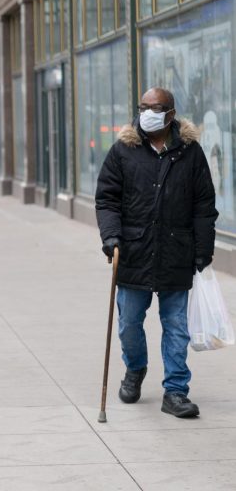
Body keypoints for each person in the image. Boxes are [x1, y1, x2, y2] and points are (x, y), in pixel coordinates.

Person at [95, 87, 217, 418]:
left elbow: (204, 203)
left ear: (171, 114)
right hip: (133, 251)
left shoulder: (190, 152)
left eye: (156, 107)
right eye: (143, 107)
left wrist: (203, 248)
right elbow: (107, 198)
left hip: (176, 252)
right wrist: (111, 236)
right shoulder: (124, 149)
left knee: (176, 325)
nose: (147, 112)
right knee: (129, 324)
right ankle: (135, 369)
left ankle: (175, 391)